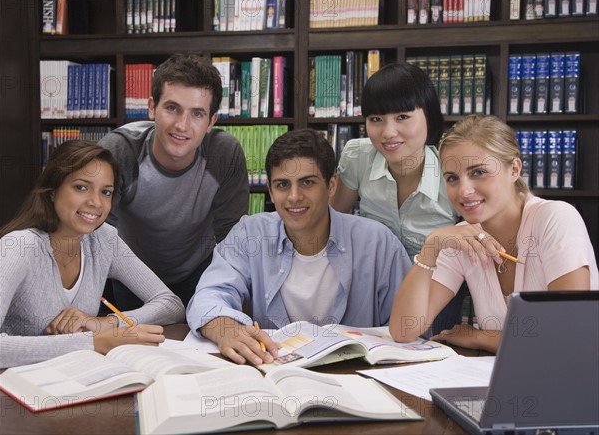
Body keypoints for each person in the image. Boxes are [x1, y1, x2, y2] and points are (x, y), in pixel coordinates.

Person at [187, 129, 412, 366]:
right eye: (283, 184)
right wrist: (226, 329)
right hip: (273, 376)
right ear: (271, 192)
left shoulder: (377, 242)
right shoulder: (249, 235)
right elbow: (207, 296)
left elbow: (409, 326)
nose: (294, 197)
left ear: (332, 185)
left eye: (307, 182)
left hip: (359, 377)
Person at [389, 114, 598, 353]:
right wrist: (431, 248)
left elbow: (568, 336)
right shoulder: (461, 239)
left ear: (514, 169)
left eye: (478, 172)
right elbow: (403, 331)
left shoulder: (555, 218)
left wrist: (481, 337)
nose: (464, 191)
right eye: (452, 178)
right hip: (508, 379)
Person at [0, 141, 185, 369]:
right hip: (15, 390)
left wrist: (104, 324)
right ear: (53, 191)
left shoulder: (104, 240)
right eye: (81, 187)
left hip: (75, 379)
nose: (95, 202)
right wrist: (93, 342)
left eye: (105, 192)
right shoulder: (18, 247)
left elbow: (170, 304)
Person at [99, 53, 249, 308]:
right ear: (151, 107)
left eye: (197, 114)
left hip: (199, 274)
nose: (182, 125)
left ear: (211, 121)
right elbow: (99, 236)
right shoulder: (119, 149)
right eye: (172, 108)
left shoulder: (224, 153)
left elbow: (231, 240)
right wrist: (163, 303)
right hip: (130, 273)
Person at [330, 62, 463, 334]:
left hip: (434, 286)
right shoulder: (358, 155)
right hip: (369, 282)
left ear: (429, 115)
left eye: (403, 117)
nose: (388, 133)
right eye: (376, 119)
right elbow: (333, 223)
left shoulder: (453, 166)